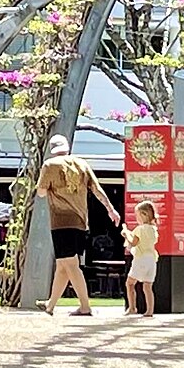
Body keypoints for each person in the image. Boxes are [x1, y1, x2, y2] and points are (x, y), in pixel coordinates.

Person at [35, 134, 117, 316]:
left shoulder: (50, 165)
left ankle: (85, 306)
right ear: (67, 147)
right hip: (80, 221)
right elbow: (97, 189)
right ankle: (50, 305)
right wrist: (111, 209)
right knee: (63, 265)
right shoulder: (82, 164)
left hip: (61, 221)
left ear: (52, 149)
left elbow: (40, 192)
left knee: (70, 264)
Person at [124, 200, 160, 317]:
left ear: (144, 214)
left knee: (130, 283)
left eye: (137, 215)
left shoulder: (140, 229)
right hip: (151, 259)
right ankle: (150, 310)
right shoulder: (153, 229)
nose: (136, 218)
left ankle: (132, 307)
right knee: (148, 286)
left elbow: (134, 242)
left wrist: (126, 234)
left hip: (141, 259)